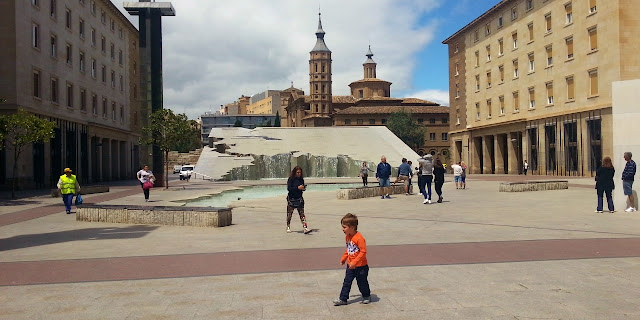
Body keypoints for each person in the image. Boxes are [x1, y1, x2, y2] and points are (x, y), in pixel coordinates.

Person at [333, 213, 370, 306]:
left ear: (352, 227)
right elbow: (349, 249)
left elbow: (363, 252)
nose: (342, 229)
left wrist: (355, 262)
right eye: (342, 227)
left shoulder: (359, 238)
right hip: (350, 265)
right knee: (347, 282)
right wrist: (344, 258)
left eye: (344, 227)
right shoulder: (348, 236)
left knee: (362, 282)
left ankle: (366, 296)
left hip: (361, 266)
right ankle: (343, 299)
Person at [286, 166, 311, 234]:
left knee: (302, 214)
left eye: (300, 172)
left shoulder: (301, 179)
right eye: (297, 172)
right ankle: (288, 226)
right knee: (289, 214)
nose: (299, 174)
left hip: (299, 198)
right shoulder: (291, 179)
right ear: (294, 172)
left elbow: (301, 187)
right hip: (292, 199)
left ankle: (305, 227)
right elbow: (289, 189)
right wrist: (297, 188)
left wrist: (303, 188)